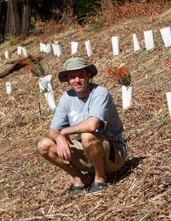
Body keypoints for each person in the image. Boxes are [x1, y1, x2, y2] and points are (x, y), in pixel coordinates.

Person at [37, 57, 127, 195]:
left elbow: (92, 125)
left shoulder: (99, 93)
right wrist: (59, 137)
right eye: (72, 77)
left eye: (80, 76)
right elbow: (53, 129)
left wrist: (65, 131)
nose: (77, 80)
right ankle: (80, 178)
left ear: (88, 76)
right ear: (67, 80)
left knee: (87, 135)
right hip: (87, 151)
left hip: (112, 153)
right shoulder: (67, 97)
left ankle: (100, 177)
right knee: (44, 145)